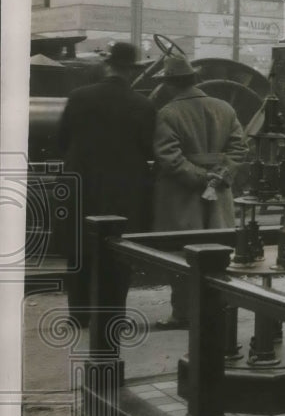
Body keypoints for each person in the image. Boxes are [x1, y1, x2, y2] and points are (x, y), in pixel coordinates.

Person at [56, 42, 157, 326]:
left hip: (82, 187)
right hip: (124, 193)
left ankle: (79, 316)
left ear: (108, 66)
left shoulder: (78, 97)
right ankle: (113, 318)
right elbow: (149, 150)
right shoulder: (144, 104)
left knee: (80, 251)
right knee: (118, 256)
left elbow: (61, 141)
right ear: (132, 72)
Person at [152, 54, 248, 329]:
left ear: (170, 84)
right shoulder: (225, 108)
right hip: (219, 194)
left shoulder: (168, 113)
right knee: (218, 251)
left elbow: (169, 158)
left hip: (181, 196)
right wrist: (218, 177)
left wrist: (201, 178)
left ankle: (182, 314)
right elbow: (239, 149)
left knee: (181, 256)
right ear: (194, 80)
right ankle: (217, 309)